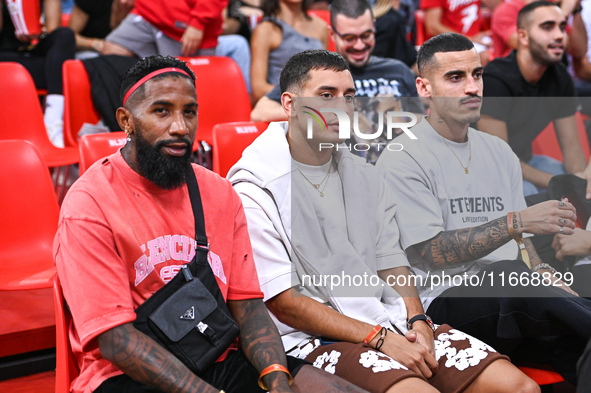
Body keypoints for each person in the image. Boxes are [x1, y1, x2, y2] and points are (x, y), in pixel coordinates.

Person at [229, 48, 539, 393]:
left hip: (387, 319)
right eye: (326, 95)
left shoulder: (364, 174)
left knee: (520, 388)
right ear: (289, 105)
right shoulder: (254, 186)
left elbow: (391, 260)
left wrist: (418, 319)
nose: (341, 108)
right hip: (313, 339)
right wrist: (378, 339)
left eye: (349, 97)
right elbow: (284, 302)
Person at [53, 55, 367, 393]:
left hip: (216, 354)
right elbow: (116, 340)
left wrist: (277, 378)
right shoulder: (89, 204)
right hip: (125, 373)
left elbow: (248, 307)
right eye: (162, 111)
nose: (180, 127)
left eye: (189, 112)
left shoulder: (219, 192)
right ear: (126, 121)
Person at [376, 32, 591, 383]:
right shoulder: (403, 158)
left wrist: (548, 275)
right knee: (507, 274)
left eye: (477, 75)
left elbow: (523, 247)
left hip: (514, 297)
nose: (473, 87)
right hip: (445, 300)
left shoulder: (498, 151)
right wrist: (516, 221)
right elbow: (433, 252)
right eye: (455, 77)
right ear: (424, 88)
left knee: (576, 323)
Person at [251, 0, 422, 163]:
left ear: (374, 27)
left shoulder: (399, 71)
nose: (360, 45)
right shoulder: (319, 73)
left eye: (366, 35)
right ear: (332, 34)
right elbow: (260, 111)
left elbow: (420, 123)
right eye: (349, 38)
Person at [478, 1, 587, 196]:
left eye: (562, 27)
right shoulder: (495, 81)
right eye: (547, 27)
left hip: (526, 159)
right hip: (484, 169)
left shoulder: (560, 77)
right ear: (523, 36)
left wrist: (580, 181)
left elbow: (572, 150)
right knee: (527, 193)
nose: (559, 35)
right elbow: (500, 161)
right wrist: (559, 183)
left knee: (580, 185)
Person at [101, 0, 252, 93]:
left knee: (183, 85)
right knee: (112, 49)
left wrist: (198, 23)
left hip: (187, 25)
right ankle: (123, 111)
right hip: (147, 12)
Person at [0, 0, 75, 147]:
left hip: (31, 56)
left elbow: (53, 29)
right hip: (4, 60)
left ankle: (53, 121)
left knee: (65, 35)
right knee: (57, 71)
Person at [249, 0, 327, 102]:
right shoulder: (266, 29)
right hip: (281, 104)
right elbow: (258, 89)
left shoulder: (321, 27)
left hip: (318, 103)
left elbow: (327, 75)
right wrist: (301, 96)